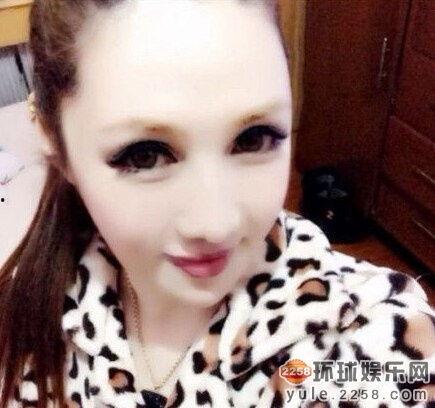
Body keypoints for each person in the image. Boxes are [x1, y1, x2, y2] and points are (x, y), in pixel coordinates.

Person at [0, 0, 433, 407]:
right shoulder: (28, 313)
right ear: (58, 148)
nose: (216, 224)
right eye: (145, 155)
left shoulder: (373, 339)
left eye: (254, 139)